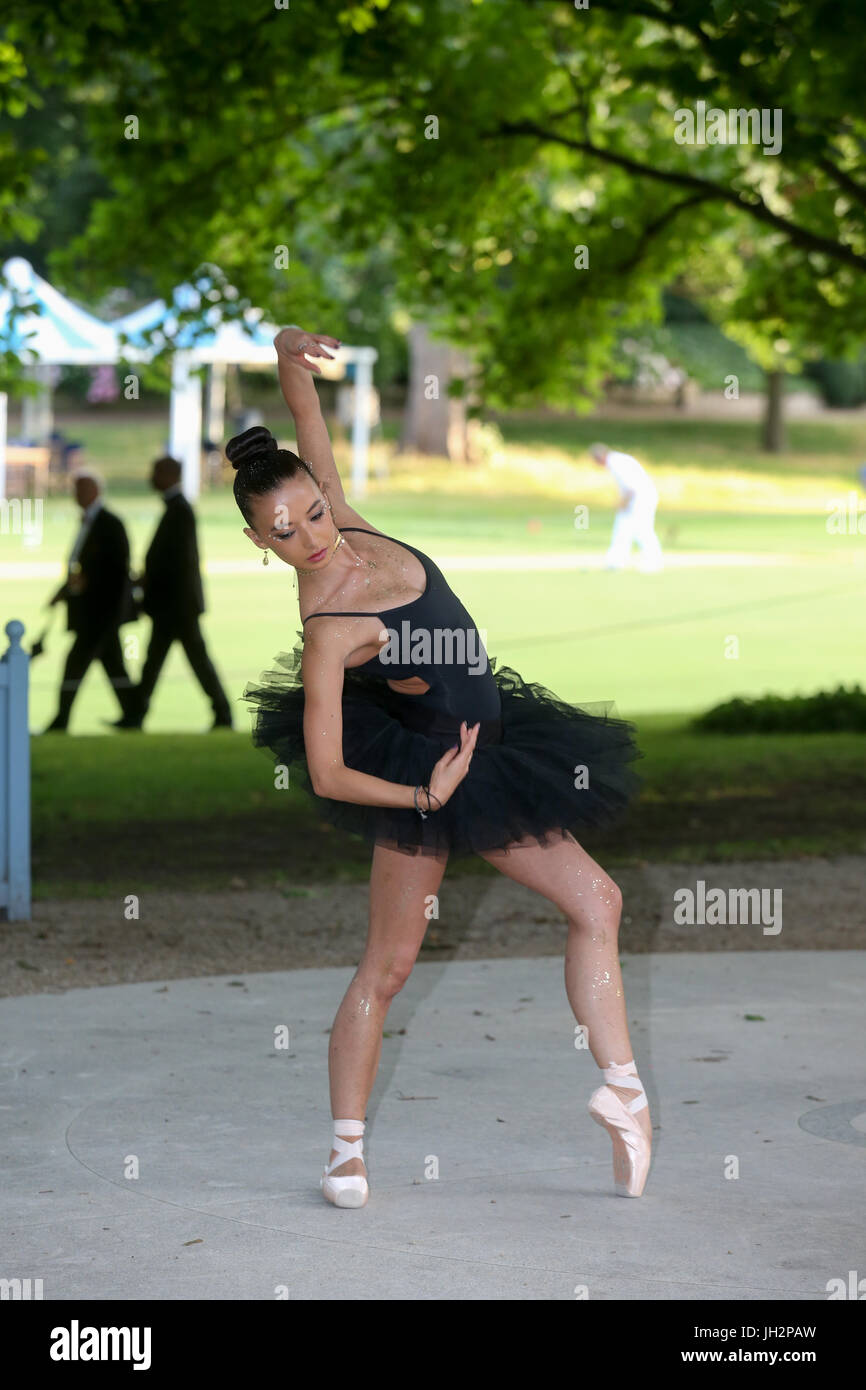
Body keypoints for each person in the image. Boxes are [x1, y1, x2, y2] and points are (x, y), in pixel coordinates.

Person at [233, 327, 652, 1210]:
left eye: (310, 511)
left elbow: (306, 411)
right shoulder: (328, 626)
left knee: (599, 902)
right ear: (257, 542)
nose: (309, 536)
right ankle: (345, 1153)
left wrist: (284, 352)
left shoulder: (340, 516)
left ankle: (621, 1088)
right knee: (387, 969)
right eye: (282, 533)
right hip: (429, 774)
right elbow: (327, 768)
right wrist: (423, 792)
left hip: (494, 750)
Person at [111, 456, 232, 730]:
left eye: (155, 472)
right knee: (160, 663)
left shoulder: (179, 510)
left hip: (176, 606)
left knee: (183, 662)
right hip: (174, 605)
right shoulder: (178, 508)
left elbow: (177, 563)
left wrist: (146, 581)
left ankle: (221, 713)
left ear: (168, 474)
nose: (151, 477)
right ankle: (137, 714)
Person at [43, 469, 139, 732]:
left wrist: (86, 582)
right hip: (92, 611)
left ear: (95, 492)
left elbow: (118, 569)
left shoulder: (110, 524)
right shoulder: (90, 522)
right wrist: (63, 591)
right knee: (114, 666)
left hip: (101, 611)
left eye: (81, 489)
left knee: (75, 665)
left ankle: (60, 720)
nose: (75, 495)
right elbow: (81, 565)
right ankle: (133, 715)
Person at [589, 442, 663, 572]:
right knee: (622, 528)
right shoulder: (616, 461)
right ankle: (616, 561)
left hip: (642, 499)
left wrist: (623, 503)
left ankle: (653, 562)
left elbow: (631, 487)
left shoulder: (617, 463)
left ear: (600, 457)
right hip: (636, 498)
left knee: (642, 529)